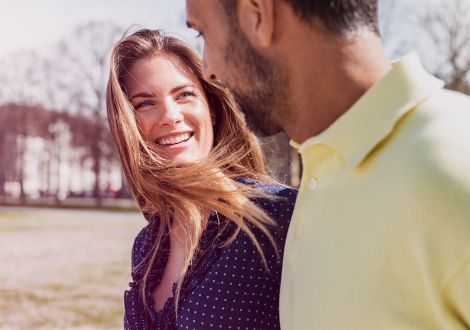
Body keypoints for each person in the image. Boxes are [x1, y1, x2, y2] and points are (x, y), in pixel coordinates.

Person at [185, 0, 470, 329]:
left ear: (258, 14)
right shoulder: (323, 168)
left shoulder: (455, 161)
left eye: (203, 32)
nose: (207, 71)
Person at [106, 28, 297, 329]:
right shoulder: (147, 244)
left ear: (213, 109)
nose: (170, 115)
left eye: (184, 95)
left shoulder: (279, 216)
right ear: (127, 126)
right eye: (145, 103)